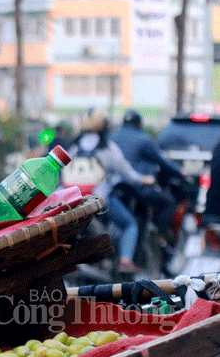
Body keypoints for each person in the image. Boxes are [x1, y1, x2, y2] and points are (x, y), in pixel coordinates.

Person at [67, 108, 155, 273]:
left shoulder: (73, 148)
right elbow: (128, 174)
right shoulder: (107, 148)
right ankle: (125, 260)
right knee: (130, 225)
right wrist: (144, 179)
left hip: (72, 202)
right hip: (99, 201)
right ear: (104, 126)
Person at [111, 109, 185, 244]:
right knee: (169, 203)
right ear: (139, 123)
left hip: (112, 189)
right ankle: (160, 237)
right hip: (137, 187)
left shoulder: (111, 137)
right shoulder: (144, 139)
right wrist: (181, 171)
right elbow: (162, 161)